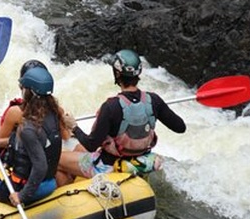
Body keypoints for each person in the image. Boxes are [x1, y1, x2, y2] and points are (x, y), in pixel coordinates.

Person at [56, 49, 186, 185]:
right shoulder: (154, 100)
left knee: (57, 160)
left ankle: (70, 196)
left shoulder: (110, 106)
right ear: (139, 73)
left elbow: (91, 145)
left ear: (117, 74)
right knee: (77, 149)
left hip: (108, 167)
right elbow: (180, 127)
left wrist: (74, 126)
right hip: (140, 161)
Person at [0, 66, 66, 206]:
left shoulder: (28, 127)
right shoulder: (54, 114)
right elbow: (31, 143)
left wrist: (22, 195)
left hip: (28, 188)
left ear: (28, 92)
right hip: (50, 183)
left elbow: (40, 166)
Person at [0, 59, 48, 168]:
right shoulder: (56, 109)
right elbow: (65, 135)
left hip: (18, 159)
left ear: (22, 86)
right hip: (44, 156)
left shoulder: (16, 112)